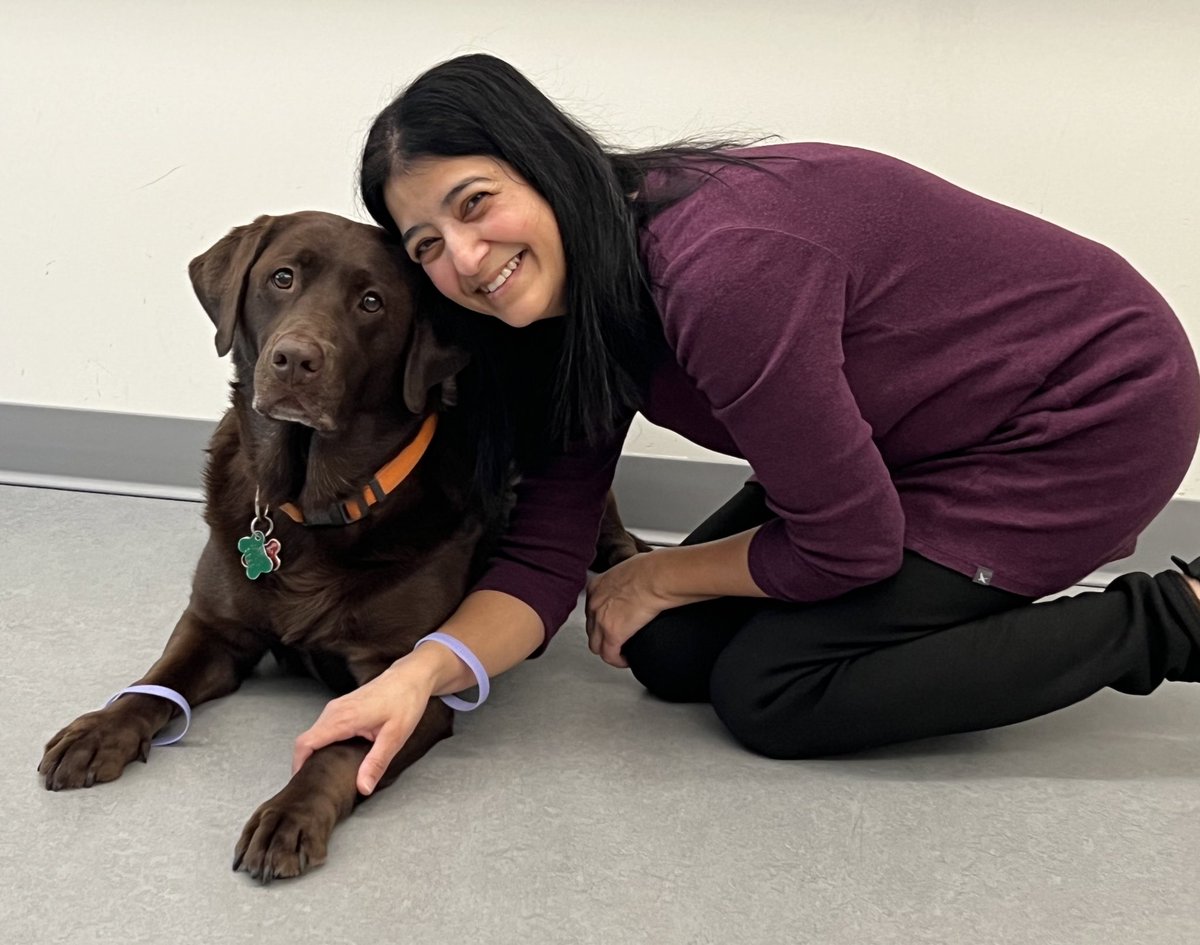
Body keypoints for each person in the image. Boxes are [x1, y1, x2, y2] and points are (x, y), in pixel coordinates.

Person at [292, 53, 1200, 795]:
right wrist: (416, 673)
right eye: (426, 246)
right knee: (666, 648)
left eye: (474, 202)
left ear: (545, 160)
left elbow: (849, 544)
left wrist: (660, 571)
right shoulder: (569, 311)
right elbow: (544, 556)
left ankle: (1178, 615)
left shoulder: (724, 270)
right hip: (915, 438)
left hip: (1087, 412)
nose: (465, 257)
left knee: (773, 691)